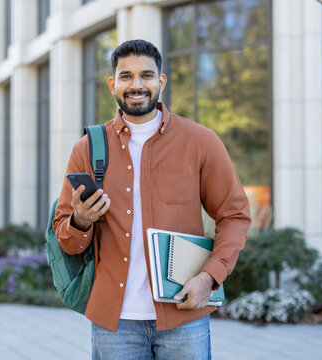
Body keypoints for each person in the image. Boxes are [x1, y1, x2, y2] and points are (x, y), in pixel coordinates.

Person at [52, 39, 251, 359]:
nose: (136, 84)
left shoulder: (200, 141)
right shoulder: (87, 148)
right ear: (112, 84)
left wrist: (209, 277)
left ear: (161, 81)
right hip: (114, 323)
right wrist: (81, 220)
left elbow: (235, 215)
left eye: (146, 75)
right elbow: (66, 237)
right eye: (126, 76)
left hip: (184, 313)